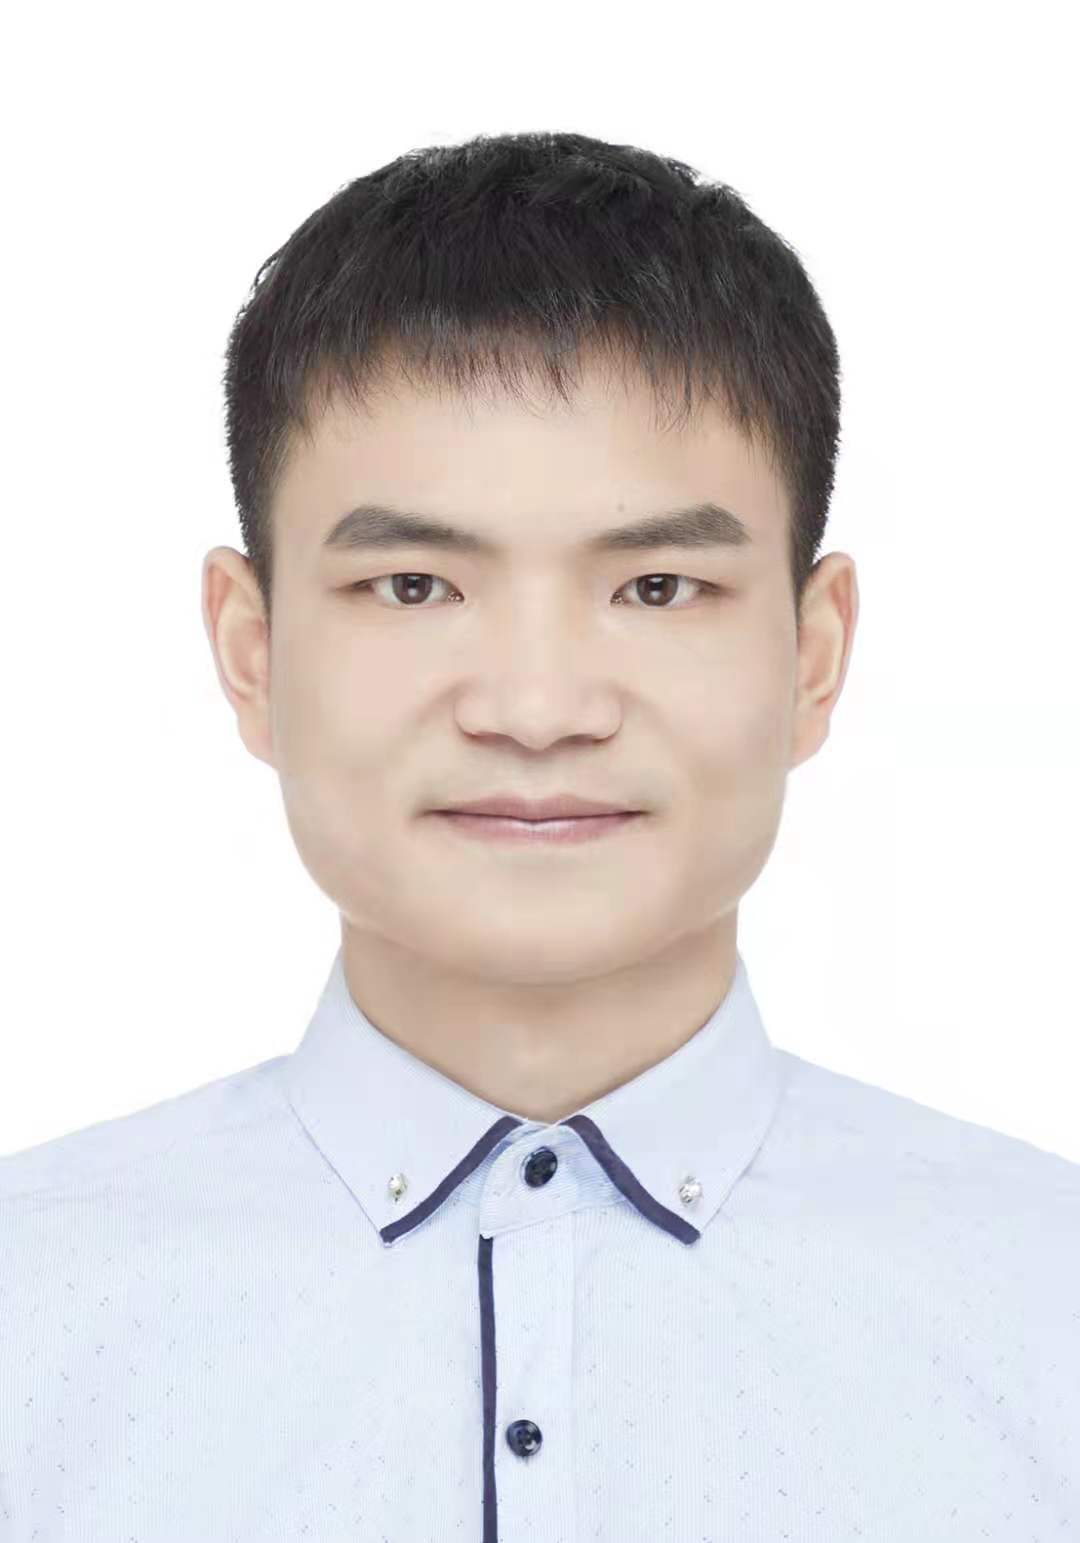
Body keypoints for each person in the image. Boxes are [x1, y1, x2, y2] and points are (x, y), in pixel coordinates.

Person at [2, 129, 1076, 1541]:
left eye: (657, 587)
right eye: (412, 586)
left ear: (814, 656)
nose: (536, 707)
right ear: (251, 652)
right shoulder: (32, 1307)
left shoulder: (1047, 1302)